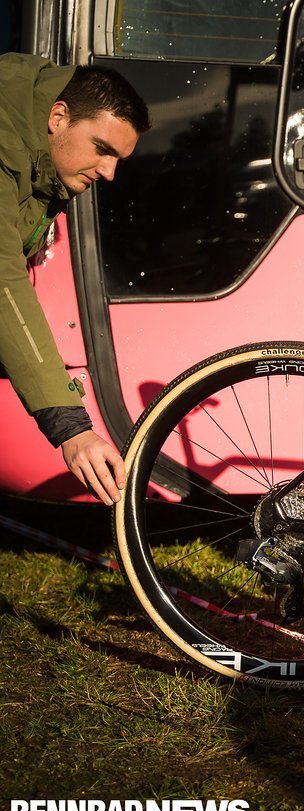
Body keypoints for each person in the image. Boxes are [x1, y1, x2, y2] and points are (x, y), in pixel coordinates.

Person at [0, 53, 149, 505]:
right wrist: (71, 427)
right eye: (103, 148)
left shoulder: (41, 160)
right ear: (58, 116)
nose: (109, 172)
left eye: (119, 159)